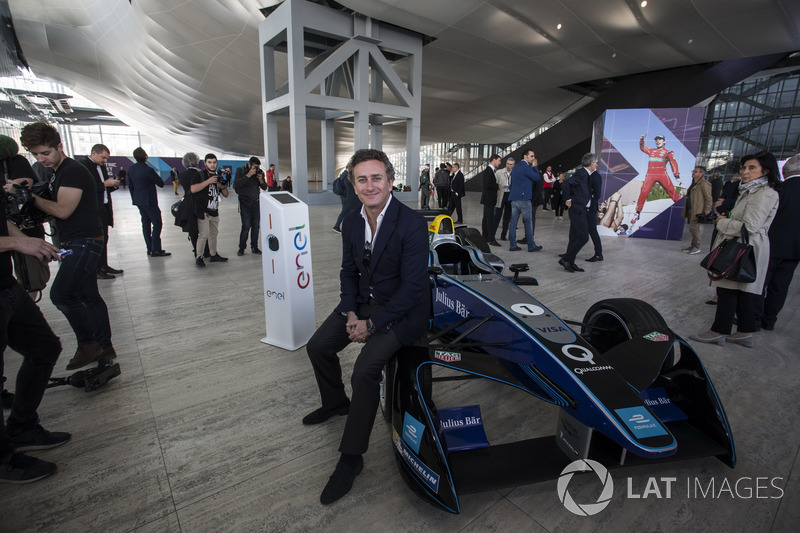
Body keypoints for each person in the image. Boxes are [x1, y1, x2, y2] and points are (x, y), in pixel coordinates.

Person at [303, 148, 429, 505]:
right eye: (362, 179)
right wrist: (351, 313)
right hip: (363, 304)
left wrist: (373, 324)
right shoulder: (353, 221)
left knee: (364, 371)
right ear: (353, 186)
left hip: (402, 312)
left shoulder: (412, 224)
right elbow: (348, 271)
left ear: (391, 181)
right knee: (318, 346)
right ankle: (336, 403)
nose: (370, 185)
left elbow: (414, 289)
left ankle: (351, 457)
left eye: (377, 178)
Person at [22, 122, 116, 369]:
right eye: (36, 154)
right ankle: (104, 345)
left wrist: (32, 197)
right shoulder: (59, 172)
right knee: (88, 295)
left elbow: (63, 210)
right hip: (74, 241)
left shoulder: (71, 170)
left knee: (61, 294)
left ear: (59, 146)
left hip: (83, 242)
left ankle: (89, 344)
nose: (41, 159)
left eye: (45, 152)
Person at [0, 178, 70, 483]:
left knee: (44, 348)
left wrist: (32, 242)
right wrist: (18, 243)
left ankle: (22, 426)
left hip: (6, 285)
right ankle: (3, 461)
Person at [690, 152, 780, 348]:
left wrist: (722, 223)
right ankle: (744, 332)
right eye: (743, 168)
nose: (745, 172)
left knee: (728, 289)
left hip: (742, 247)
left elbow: (749, 227)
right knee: (742, 291)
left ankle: (718, 331)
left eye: (751, 168)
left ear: (766, 171)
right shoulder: (750, 191)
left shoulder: (764, 194)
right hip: (744, 246)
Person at [757, 154, 800, 331]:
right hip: (795, 250)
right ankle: (769, 320)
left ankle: (754, 318)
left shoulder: (777, 190)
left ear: (784, 171)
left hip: (771, 245)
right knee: (781, 286)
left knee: (760, 283)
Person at [79, 144, 123, 279]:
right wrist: (104, 184)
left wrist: (112, 184)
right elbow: (85, 187)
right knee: (95, 240)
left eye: (106, 158)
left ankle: (103, 265)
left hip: (103, 207)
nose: (105, 161)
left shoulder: (101, 166)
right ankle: (96, 269)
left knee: (104, 238)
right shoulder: (82, 165)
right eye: (103, 157)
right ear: (94, 153)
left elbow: (103, 187)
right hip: (92, 209)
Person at [128, 147, 171, 258]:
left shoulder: (131, 169)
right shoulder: (148, 170)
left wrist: (135, 199)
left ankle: (150, 248)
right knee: (157, 223)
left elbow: (131, 186)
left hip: (139, 201)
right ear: (146, 157)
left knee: (146, 224)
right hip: (149, 200)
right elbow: (160, 183)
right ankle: (155, 248)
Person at [559, 153, 597, 272]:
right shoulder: (582, 173)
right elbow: (565, 184)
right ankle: (566, 259)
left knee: (575, 237)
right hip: (577, 210)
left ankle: (570, 261)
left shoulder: (587, 174)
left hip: (581, 209)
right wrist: (568, 200)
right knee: (583, 237)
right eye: (596, 162)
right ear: (591, 164)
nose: (596, 164)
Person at [633, 134, 683, 224]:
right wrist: (641, 139)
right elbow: (642, 148)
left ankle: (682, 210)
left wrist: (677, 176)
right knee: (643, 192)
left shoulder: (668, 152)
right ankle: (637, 213)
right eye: (656, 140)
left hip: (662, 174)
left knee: (671, 190)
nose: (658, 141)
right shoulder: (651, 150)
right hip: (650, 174)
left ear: (664, 141)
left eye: (660, 139)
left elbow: (673, 163)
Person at [191, 154, 228, 267]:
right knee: (203, 234)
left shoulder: (218, 176)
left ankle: (213, 254)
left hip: (214, 209)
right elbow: (193, 189)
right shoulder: (200, 174)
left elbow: (226, 194)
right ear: (205, 163)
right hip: (203, 210)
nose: (212, 165)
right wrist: (208, 181)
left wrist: (221, 186)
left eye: (214, 162)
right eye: (210, 162)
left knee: (214, 233)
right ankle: (199, 257)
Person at [507, 150, 542, 252]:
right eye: (531, 156)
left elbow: (511, 184)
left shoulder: (515, 167)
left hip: (514, 199)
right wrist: (535, 166)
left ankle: (512, 245)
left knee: (513, 223)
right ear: (525, 156)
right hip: (524, 199)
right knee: (528, 222)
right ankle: (531, 245)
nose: (533, 158)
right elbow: (537, 178)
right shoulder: (526, 167)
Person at [233, 156, 267, 256]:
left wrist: (261, 179)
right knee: (246, 226)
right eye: (255, 167)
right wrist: (248, 175)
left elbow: (264, 187)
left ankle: (254, 247)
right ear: (249, 164)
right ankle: (242, 248)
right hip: (244, 202)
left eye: (258, 167)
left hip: (255, 202)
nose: (256, 169)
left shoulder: (259, 172)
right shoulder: (241, 170)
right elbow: (236, 185)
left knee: (256, 226)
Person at [681, 166, 712, 255]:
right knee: (693, 228)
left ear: (701, 173)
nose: (693, 173)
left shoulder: (704, 184)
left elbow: (708, 198)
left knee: (694, 229)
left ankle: (697, 247)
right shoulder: (694, 183)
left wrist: (707, 209)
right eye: (693, 171)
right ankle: (693, 245)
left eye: (696, 171)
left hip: (698, 210)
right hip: (692, 209)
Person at [479, 154, 502, 245]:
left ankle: (485, 237)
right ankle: (491, 239)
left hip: (488, 198)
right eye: (499, 160)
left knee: (486, 218)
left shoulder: (491, 170)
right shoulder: (489, 171)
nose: (500, 163)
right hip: (489, 198)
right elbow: (487, 185)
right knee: (490, 219)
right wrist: (497, 186)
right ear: (494, 160)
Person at [585, 163, 604, 262]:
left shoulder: (595, 177)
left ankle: (598, 254)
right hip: (587, 208)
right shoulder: (590, 175)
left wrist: (589, 205)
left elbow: (597, 195)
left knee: (592, 231)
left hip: (590, 209)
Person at [494, 157, 514, 240]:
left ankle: (503, 235)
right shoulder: (499, 172)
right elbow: (494, 183)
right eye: (507, 164)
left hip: (509, 195)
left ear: (513, 165)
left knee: (507, 216)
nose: (508, 166)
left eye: (510, 164)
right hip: (501, 194)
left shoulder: (514, 173)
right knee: (497, 215)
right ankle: (492, 234)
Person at [332, 169, 350, 233]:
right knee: (344, 212)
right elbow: (348, 188)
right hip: (346, 197)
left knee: (346, 212)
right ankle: (336, 226)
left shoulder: (343, 175)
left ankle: (346, 226)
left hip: (343, 196)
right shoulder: (346, 176)